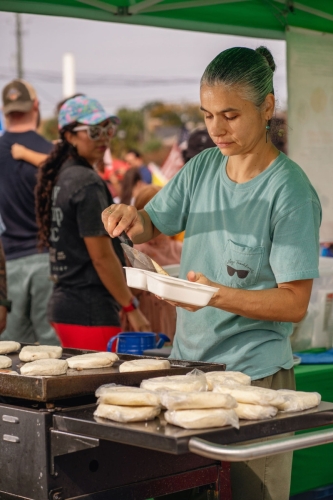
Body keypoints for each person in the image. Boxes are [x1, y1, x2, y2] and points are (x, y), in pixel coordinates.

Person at [102, 46, 321, 500]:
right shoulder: (202, 168)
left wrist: (216, 295)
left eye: (230, 115)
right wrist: (128, 216)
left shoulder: (290, 191)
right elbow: (151, 223)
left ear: (267, 107)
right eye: (206, 115)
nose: (216, 129)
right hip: (189, 371)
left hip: (254, 382)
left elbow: (294, 303)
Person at [35, 95, 150, 351]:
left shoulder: (64, 176)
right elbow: (101, 257)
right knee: (98, 388)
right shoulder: (87, 183)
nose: (104, 138)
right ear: (70, 136)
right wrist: (130, 307)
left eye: (108, 129)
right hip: (89, 309)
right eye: (94, 131)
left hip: (67, 305)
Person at [0, 79, 59, 345]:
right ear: (35, 106)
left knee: (9, 354)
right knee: (54, 353)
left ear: (5, 111)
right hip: (48, 259)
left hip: (7, 264)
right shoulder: (50, 152)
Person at [123, 185, 182, 342]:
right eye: (151, 217)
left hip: (174, 316)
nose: (159, 224)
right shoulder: (134, 251)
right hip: (146, 314)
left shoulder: (180, 248)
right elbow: (127, 291)